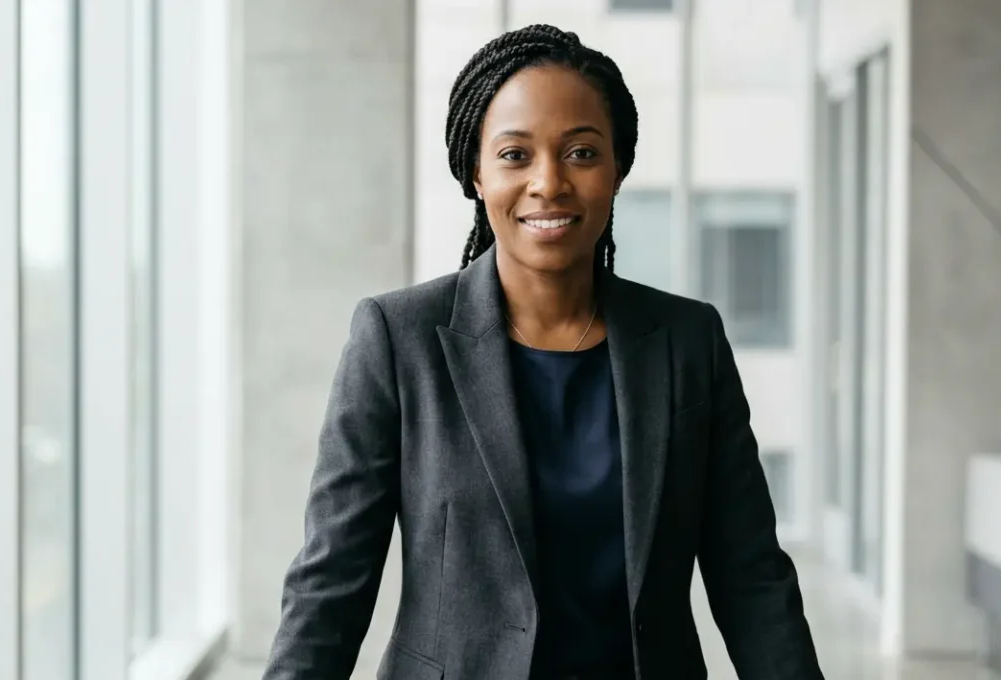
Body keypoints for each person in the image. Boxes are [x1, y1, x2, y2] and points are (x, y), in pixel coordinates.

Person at [262, 24, 823, 680]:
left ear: (617, 167)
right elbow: (331, 585)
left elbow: (750, 577)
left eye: (581, 153)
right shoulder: (398, 339)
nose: (548, 183)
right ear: (475, 171)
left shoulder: (686, 344)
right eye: (515, 155)